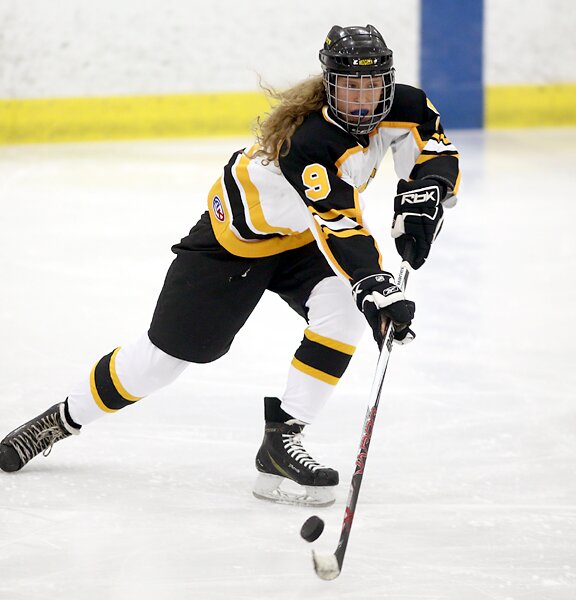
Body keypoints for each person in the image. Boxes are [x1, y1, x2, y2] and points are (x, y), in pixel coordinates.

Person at [0, 25, 459, 507]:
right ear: (329, 85)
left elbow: (434, 150)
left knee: (342, 308)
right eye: (350, 86)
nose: (363, 101)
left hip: (303, 237)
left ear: (388, 81)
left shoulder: (407, 106)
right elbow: (340, 225)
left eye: (372, 86)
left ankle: (282, 441)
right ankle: (59, 420)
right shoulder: (310, 140)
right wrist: (376, 286)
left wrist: (424, 196)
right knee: (161, 362)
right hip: (235, 243)